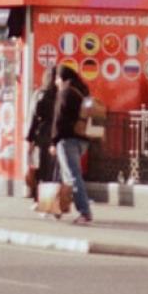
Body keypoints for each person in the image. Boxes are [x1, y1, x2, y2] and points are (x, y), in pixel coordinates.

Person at [51, 64, 92, 225]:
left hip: (67, 139)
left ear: (62, 79)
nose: (55, 82)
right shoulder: (81, 92)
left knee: (73, 176)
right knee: (66, 175)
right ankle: (58, 208)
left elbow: (59, 119)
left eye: (56, 78)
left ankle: (84, 212)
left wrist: (54, 141)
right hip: (82, 140)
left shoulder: (65, 92)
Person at [25, 66, 60, 204]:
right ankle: (51, 200)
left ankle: (39, 199)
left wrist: (29, 139)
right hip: (56, 135)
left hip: (42, 134)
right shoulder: (60, 95)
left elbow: (33, 118)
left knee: (40, 168)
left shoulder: (39, 94)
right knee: (53, 170)